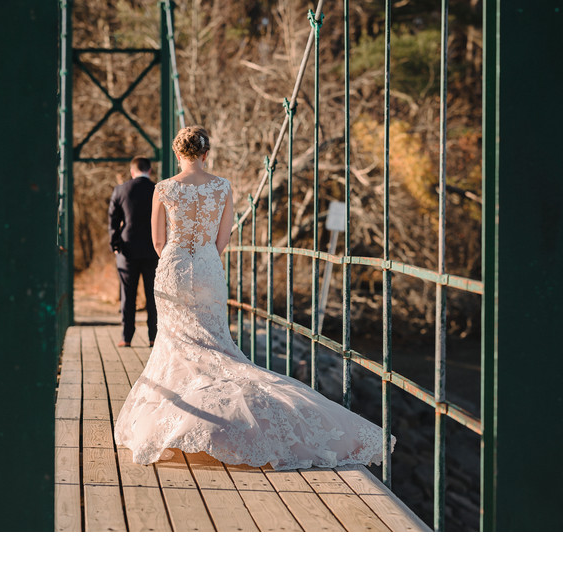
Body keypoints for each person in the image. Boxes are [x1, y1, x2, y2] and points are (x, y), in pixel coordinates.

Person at [114, 126, 393, 470]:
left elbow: (158, 241)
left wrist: (176, 256)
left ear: (177, 154)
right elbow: (223, 237)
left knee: (176, 341)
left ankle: (180, 419)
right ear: (205, 153)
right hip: (207, 266)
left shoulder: (164, 188)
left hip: (173, 267)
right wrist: (204, 258)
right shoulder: (222, 186)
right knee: (216, 342)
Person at [108, 156, 159, 348]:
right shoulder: (158, 190)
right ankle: (153, 337)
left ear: (132, 171)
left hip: (127, 250)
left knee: (127, 296)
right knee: (153, 295)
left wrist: (115, 245)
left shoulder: (120, 190)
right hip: (154, 249)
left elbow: (113, 221)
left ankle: (126, 337)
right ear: (150, 170)